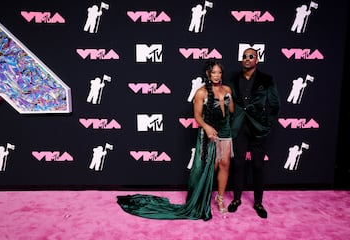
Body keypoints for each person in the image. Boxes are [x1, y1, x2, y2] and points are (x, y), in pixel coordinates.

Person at [116, 59, 234, 221]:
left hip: (225, 131)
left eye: (219, 72)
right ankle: (202, 199)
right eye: (213, 72)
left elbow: (232, 110)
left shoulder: (227, 89)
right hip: (209, 133)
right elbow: (198, 116)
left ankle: (220, 199)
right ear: (208, 73)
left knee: (225, 164)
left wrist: (229, 103)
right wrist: (206, 128)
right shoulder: (201, 92)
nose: (216, 75)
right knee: (209, 167)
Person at [227, 48, 280, 219]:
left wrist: (267, 124)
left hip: (258, 129)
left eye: (251, 56)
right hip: (239, 128)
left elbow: (275, 104)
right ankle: (236, 199)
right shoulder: (233, 80)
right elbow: (228, 104)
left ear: (257, 60)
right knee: (238, 165)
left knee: (258, 165)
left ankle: (258, 202)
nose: (247, 59)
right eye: (244, 56)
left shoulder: (267, 79)